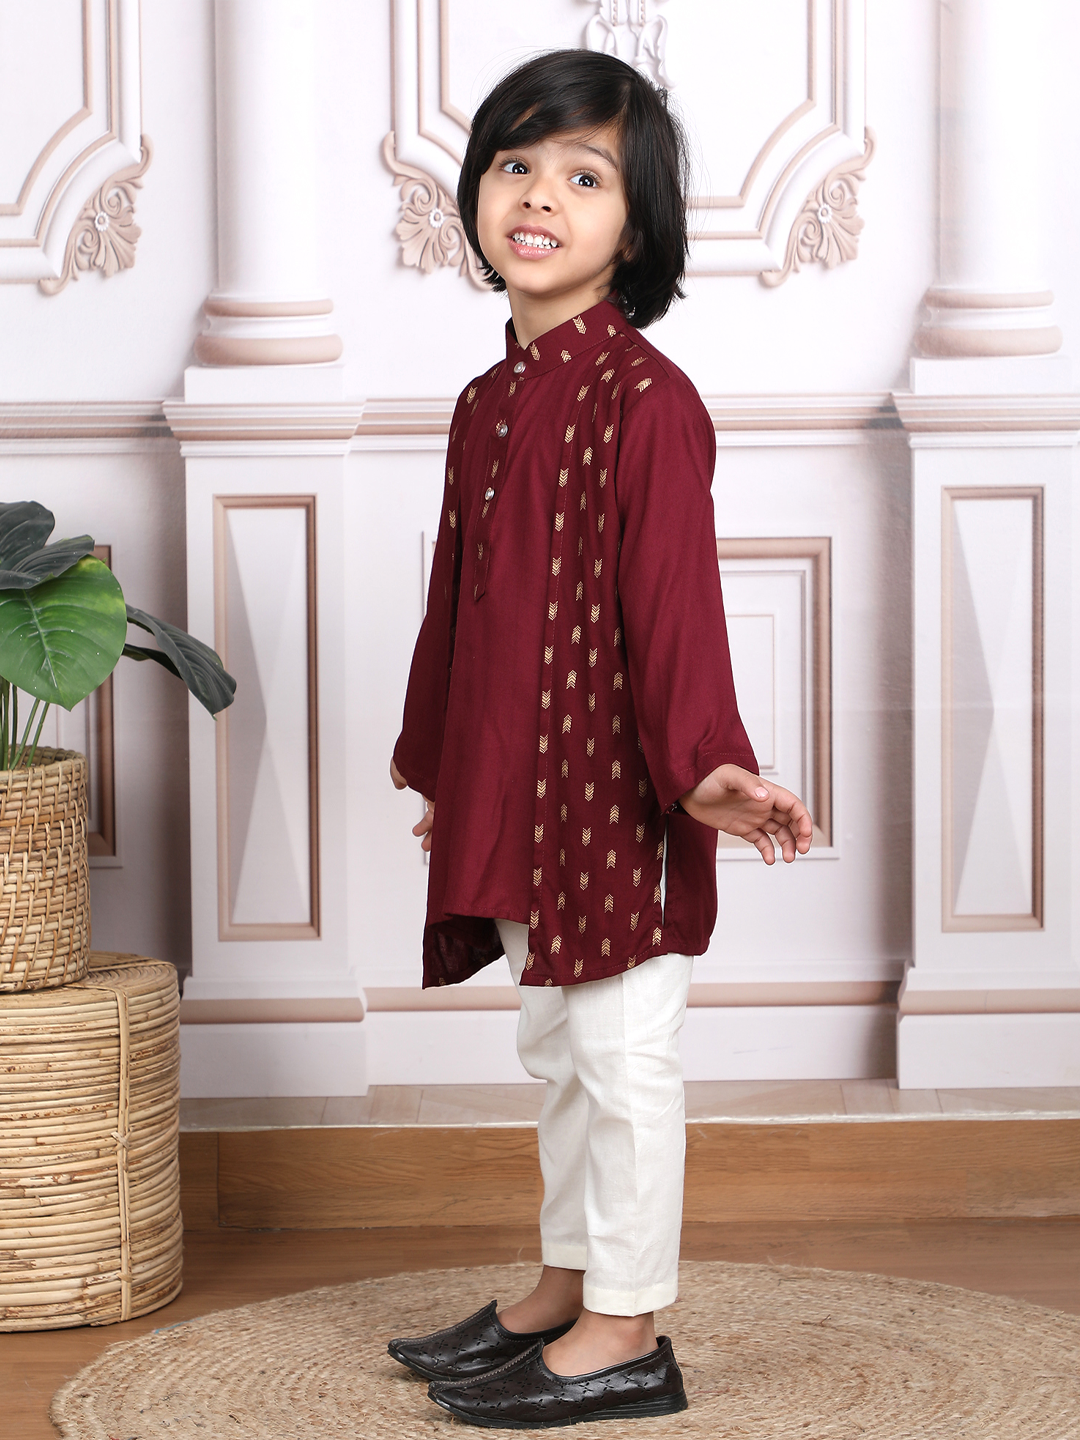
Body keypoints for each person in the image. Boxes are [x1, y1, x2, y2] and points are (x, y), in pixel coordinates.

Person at [387, 48, 813, 1429]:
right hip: (523, 787)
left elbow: (673, 603)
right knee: (560, 1052)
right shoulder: (487, 401)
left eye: (585, 177)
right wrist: (452, 770)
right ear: (476, 191)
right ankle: (568, 1283)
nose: (539, 197)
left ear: (638, 227)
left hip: (621, 797)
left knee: (625, 1061)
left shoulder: (647, 399)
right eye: (516, 165)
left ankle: (628, 1328)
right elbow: (465, 604)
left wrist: (708, 768)